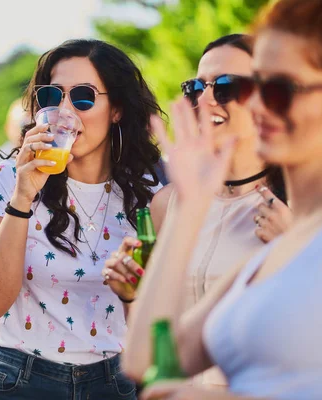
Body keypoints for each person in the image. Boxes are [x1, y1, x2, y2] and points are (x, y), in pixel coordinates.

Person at [123, 0, 322, 399]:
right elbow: (143, 360)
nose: (256, 104)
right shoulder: (265, 258)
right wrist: (189, 210)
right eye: (255, 85)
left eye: (279, 89)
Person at [0, 39, 163, 399]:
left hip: (114, 381)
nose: (65, 111)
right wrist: (22, 197)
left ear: (116, 109)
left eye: (83, 96)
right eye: (53, 97)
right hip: (20, 378)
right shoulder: (6, 177)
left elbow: (160, 317)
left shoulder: (146, 193)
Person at [102, 34, 291, 389]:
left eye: (226, 86)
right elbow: (150, 353)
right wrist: (131, 293)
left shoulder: (305, 208)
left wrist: (296, 248)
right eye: (195, 87)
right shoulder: (168, 203)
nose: (204, 101)